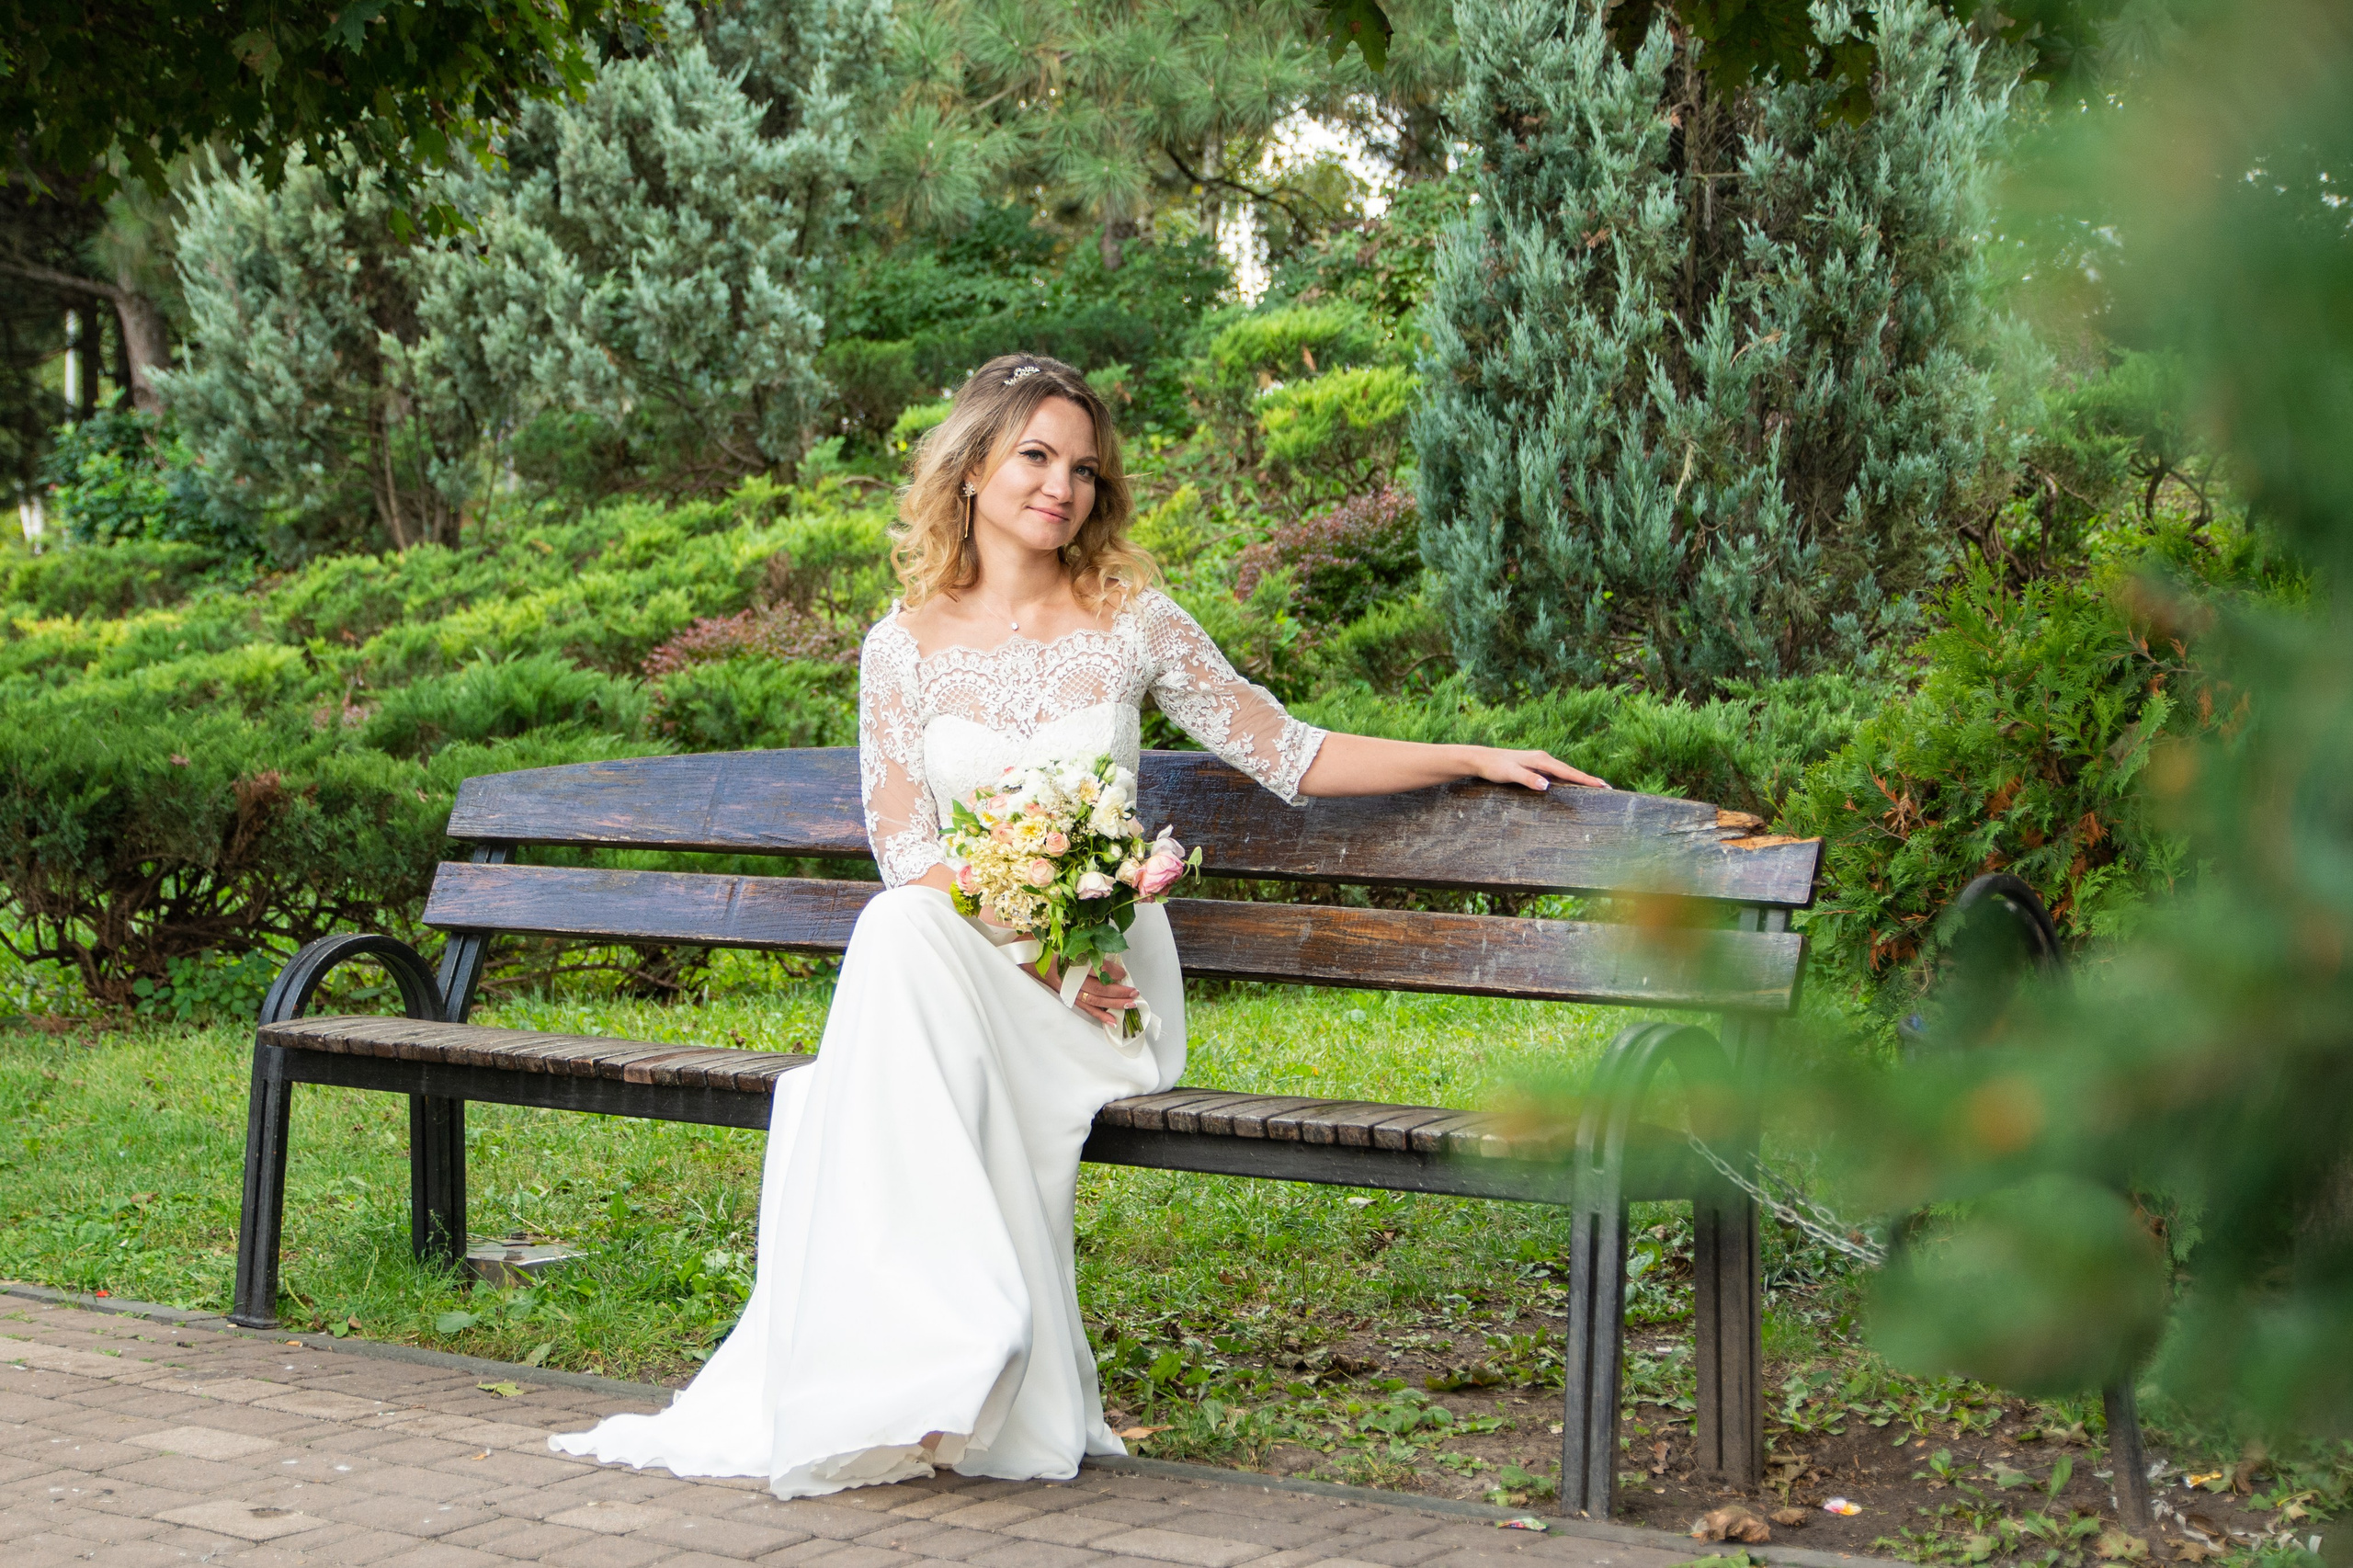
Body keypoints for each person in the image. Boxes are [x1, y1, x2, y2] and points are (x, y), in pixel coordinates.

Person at [551, 353, 1607, 1497]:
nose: (1061, 487)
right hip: (987, 956)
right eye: (1036, 457)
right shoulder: (898, 647)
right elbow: (908, 848)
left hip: (1110, 981)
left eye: (1085, 470)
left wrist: (1468, 754)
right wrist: (1034, 948)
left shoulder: (1130, 619)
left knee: (888, 961)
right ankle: (945, 1349)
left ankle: (953, 1353)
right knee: (898, 926)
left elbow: (1285, 750)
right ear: (970, 470)